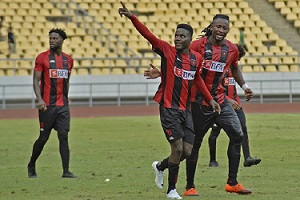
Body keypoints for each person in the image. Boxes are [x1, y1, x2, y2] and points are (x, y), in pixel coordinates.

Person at [118, 2, 220, 199]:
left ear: (190, 39)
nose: (177, 38)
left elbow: (197, 78)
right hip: (168, 108)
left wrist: (211, 100)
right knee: (178, 148)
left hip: (186, 110)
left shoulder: (196, 58)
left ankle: (160, 166)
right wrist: (132, 17)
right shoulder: (167, 50)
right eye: (176, 35)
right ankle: (172, 190)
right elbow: (148, 35)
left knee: (188, 151)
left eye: (182, 36)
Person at [145, 14, 254, 196]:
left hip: (220, 100)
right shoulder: (197, 46)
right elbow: (182, 64)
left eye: (224, 28)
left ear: (228, 30)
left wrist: (245, 86)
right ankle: (189, 186)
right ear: (211, 27)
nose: (220, 30)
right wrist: (162, 72)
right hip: (197, 102)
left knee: (237, 134)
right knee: (193, 145)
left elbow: (234, 67)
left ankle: (232, 182)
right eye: (217, 27)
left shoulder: (232, 49)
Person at [27, 28, 76, 179]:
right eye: (50, 38)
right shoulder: (42, 58)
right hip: (47, 105)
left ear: (62, 40)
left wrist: (67, 98)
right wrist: (39, 99)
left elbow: (65, 82)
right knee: (44, 138)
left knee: (63, 135)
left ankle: (66, 171)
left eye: (55, 38)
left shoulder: (69, 60)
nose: (52, 40)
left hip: (63, 105)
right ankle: (31, 165)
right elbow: (36, 80)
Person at [208, 44, 261, 168]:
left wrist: (246, 89)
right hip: (220, 104)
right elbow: (213, 89)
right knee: (215, 132)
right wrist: (228, 100)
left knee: (242, 128)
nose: (236, 61)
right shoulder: (219, 69)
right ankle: (212, 160)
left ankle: (247, 157)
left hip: (236, 104)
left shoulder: (234, 69)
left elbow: (235, 84)